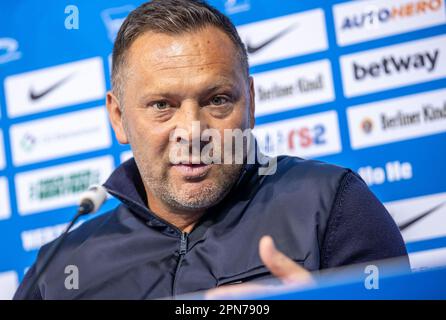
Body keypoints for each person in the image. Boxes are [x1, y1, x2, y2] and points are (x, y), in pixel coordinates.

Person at [14, 0, 409, 300]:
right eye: (161, 105)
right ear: (118, 117)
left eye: (218, 100)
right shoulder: (60, 268)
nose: (192, 131)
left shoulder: (332, 204)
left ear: (250, 102)